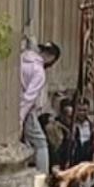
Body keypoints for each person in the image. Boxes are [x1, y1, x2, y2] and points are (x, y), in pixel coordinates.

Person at [20, 40, 61, 174]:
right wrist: (20, 117)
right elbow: (29, 97)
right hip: (24, 110)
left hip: (13, 105)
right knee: (41, 142)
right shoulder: (38, 71)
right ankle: (42, 177)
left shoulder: (22, 58)